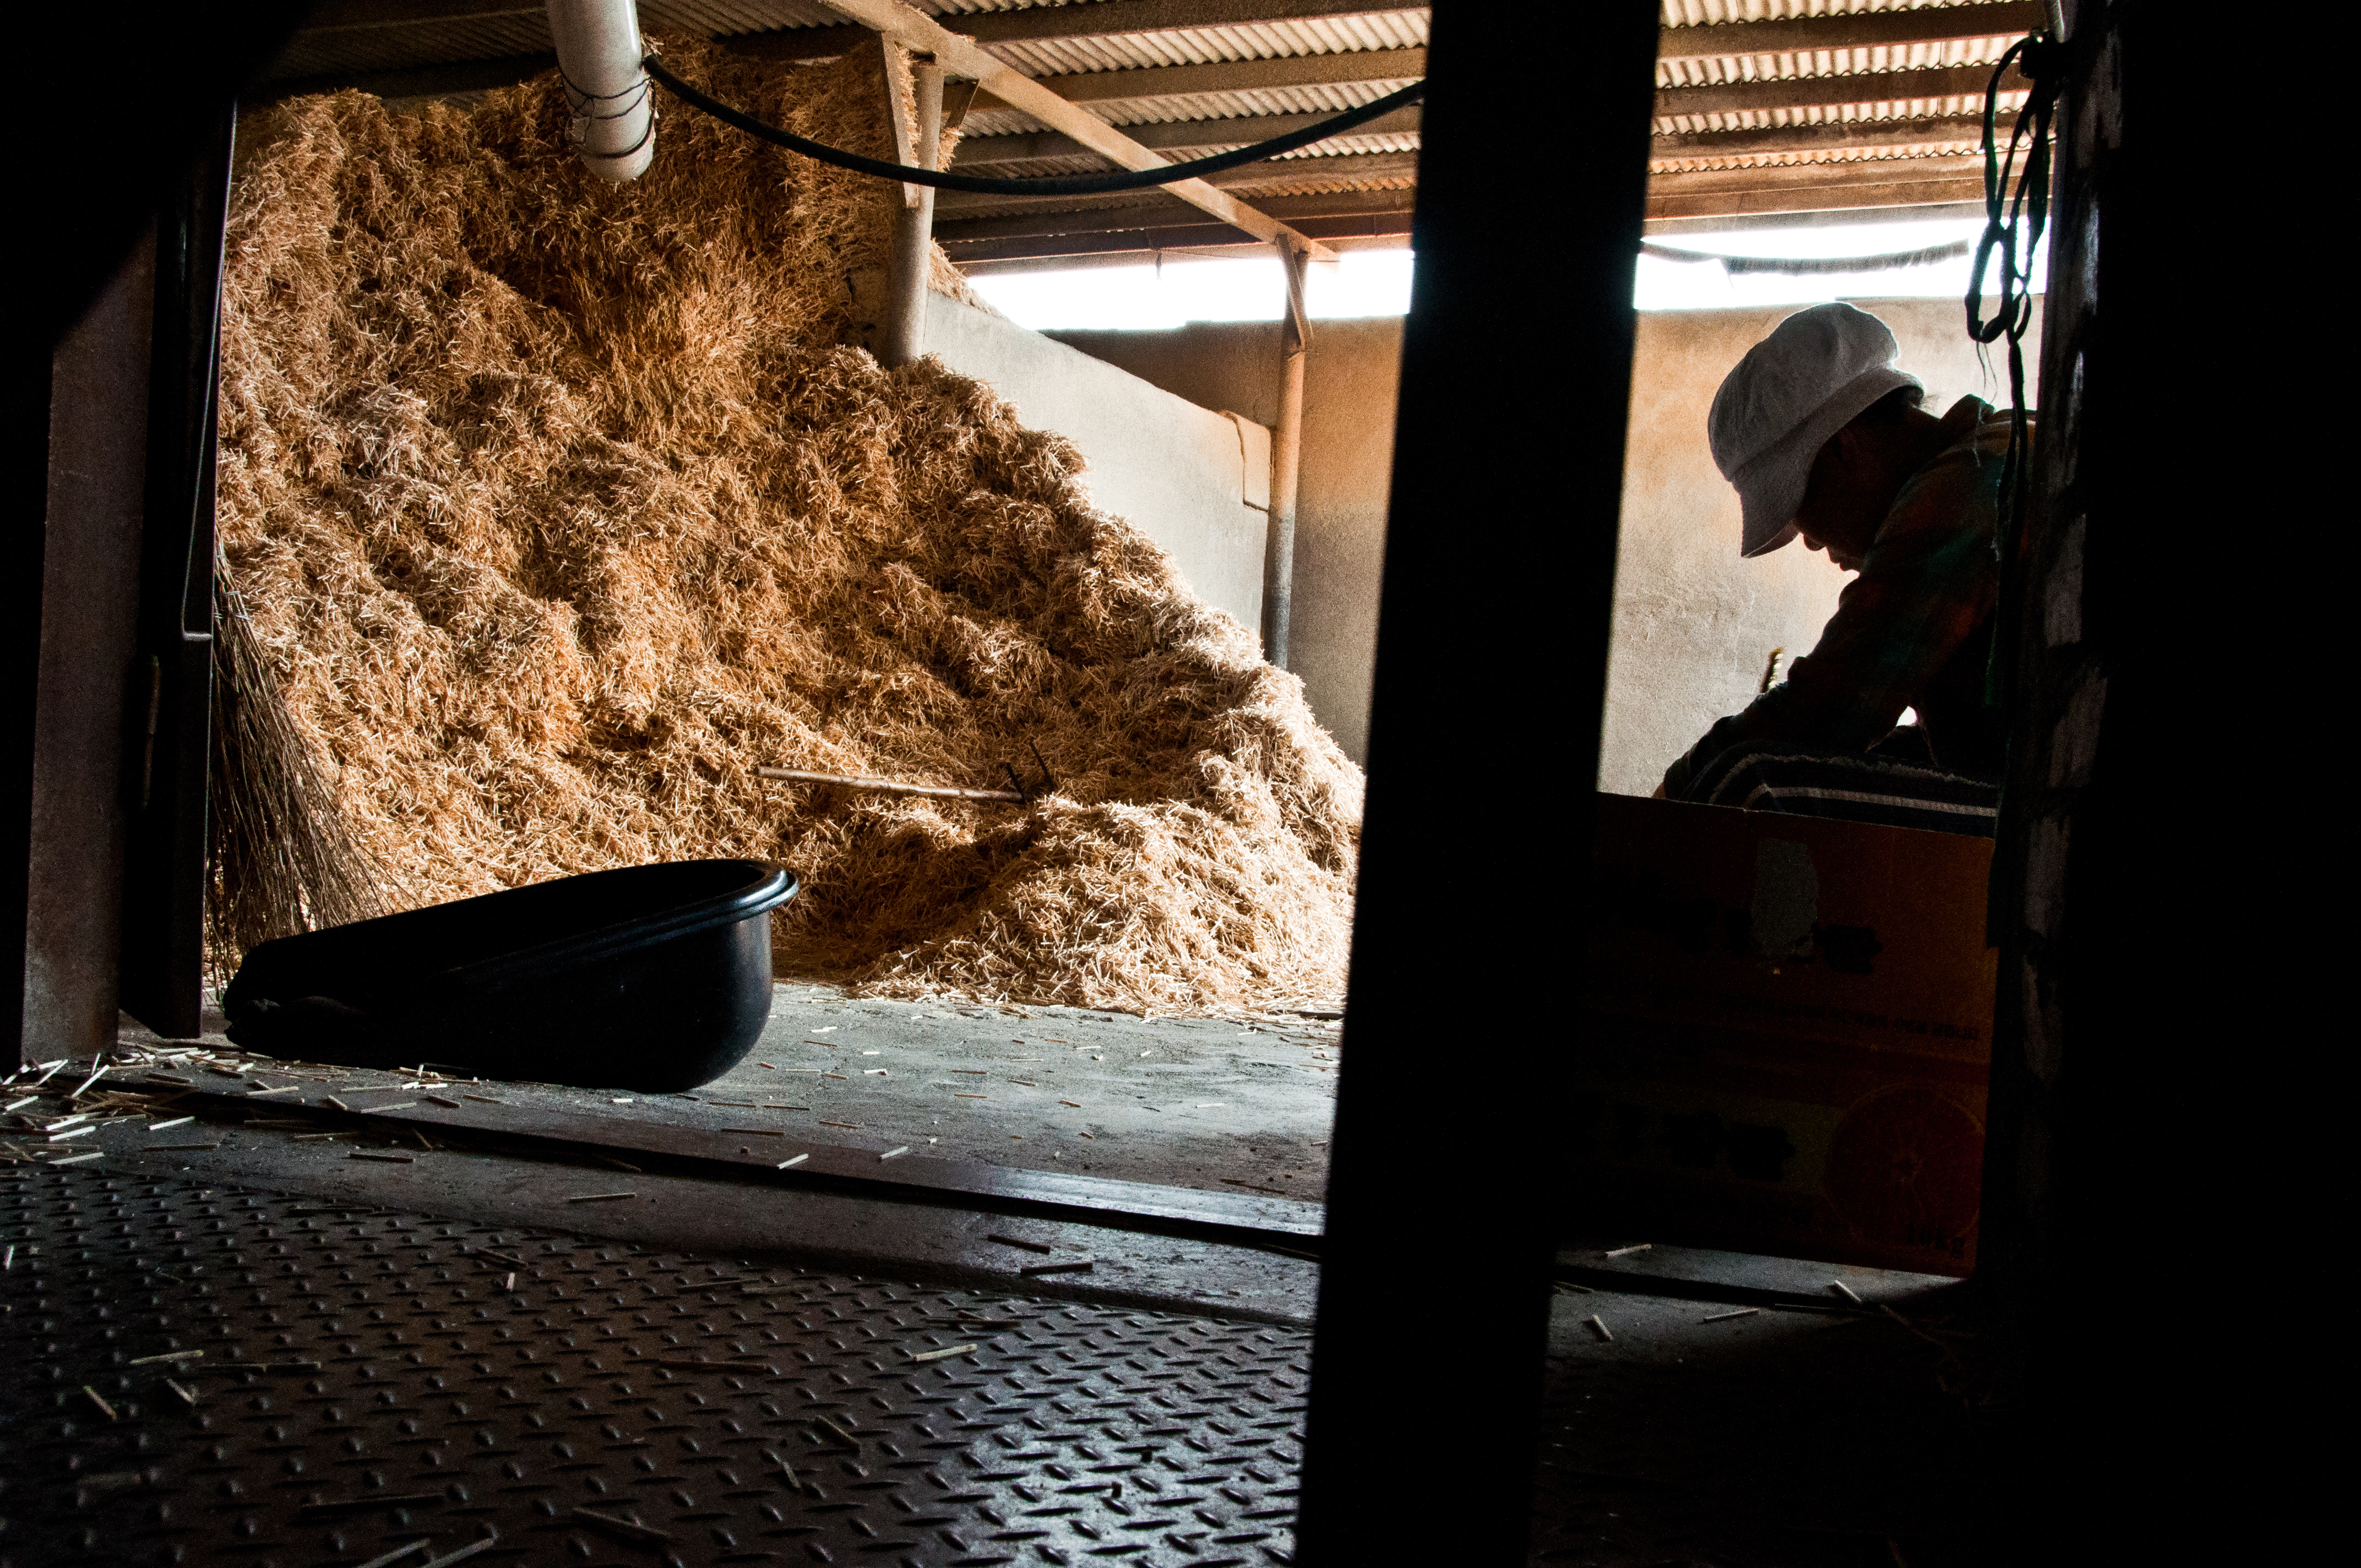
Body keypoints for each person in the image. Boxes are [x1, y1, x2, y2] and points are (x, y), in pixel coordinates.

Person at [1656, 302, 2024, 818]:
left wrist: (1669, 798)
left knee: (1747, 780)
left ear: (1843, 449)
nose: (1810, 542)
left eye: (1800, 506)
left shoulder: (1967, 486)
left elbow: (1831, 709)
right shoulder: (1991, 452)